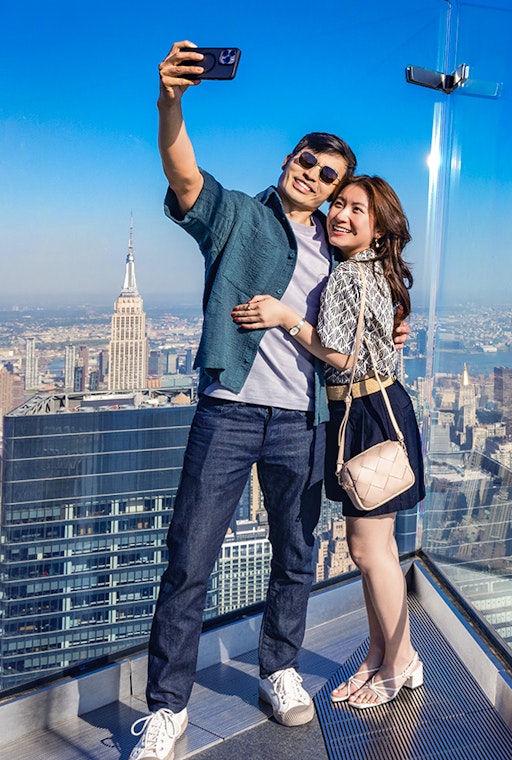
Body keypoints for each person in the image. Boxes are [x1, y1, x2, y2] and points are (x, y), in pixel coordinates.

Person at [132, 41, 395, 760]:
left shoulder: (340, 250)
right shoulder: (238, 217)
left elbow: (375, 299)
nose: (314, 177)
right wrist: (171, 102)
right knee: (189, 556)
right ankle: (167, 707)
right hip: (229, 409)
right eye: (308, 162)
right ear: (289, 161)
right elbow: (183, 175)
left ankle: (279, 668)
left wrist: (396, 316)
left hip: (301, 422)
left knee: (295, 553)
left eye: (329, 176)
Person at [234, 175, 426, 710]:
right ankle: (380, 653)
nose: (340, 214)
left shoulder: (348, 276)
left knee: (368, 551)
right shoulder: (366, 271)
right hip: (375, 409)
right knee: (378, 550)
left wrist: (284, 316)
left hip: (367, 413)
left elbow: (340, 354)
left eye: (356, 209)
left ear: (379, 229)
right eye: (338, 203)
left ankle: (400, 660)